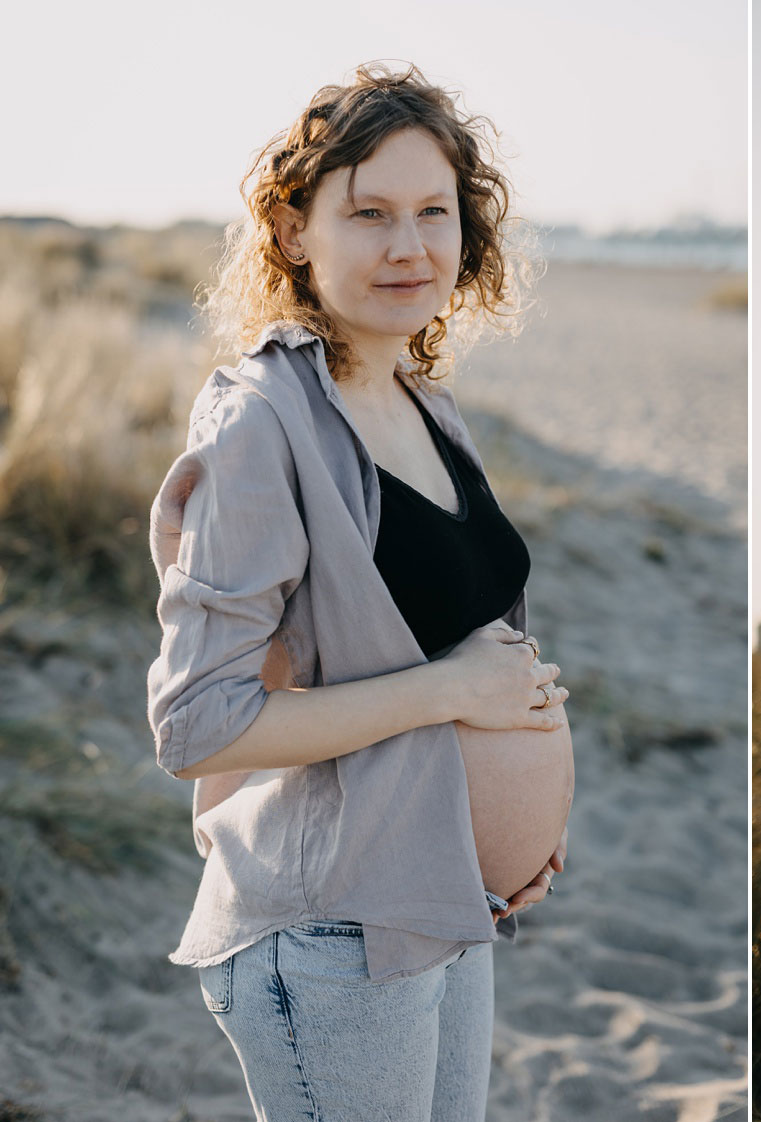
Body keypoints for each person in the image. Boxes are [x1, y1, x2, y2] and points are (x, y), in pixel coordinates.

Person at [146, 62, 574, 1121]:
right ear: (294, 232)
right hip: (330, 931)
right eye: (368, 213)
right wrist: (455, 697)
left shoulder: (430, 412)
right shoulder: (259, 425)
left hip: (443, 900)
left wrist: (515, 828)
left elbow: (466, 652)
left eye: (435, 212)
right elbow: (197, 726)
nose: (408, 245)